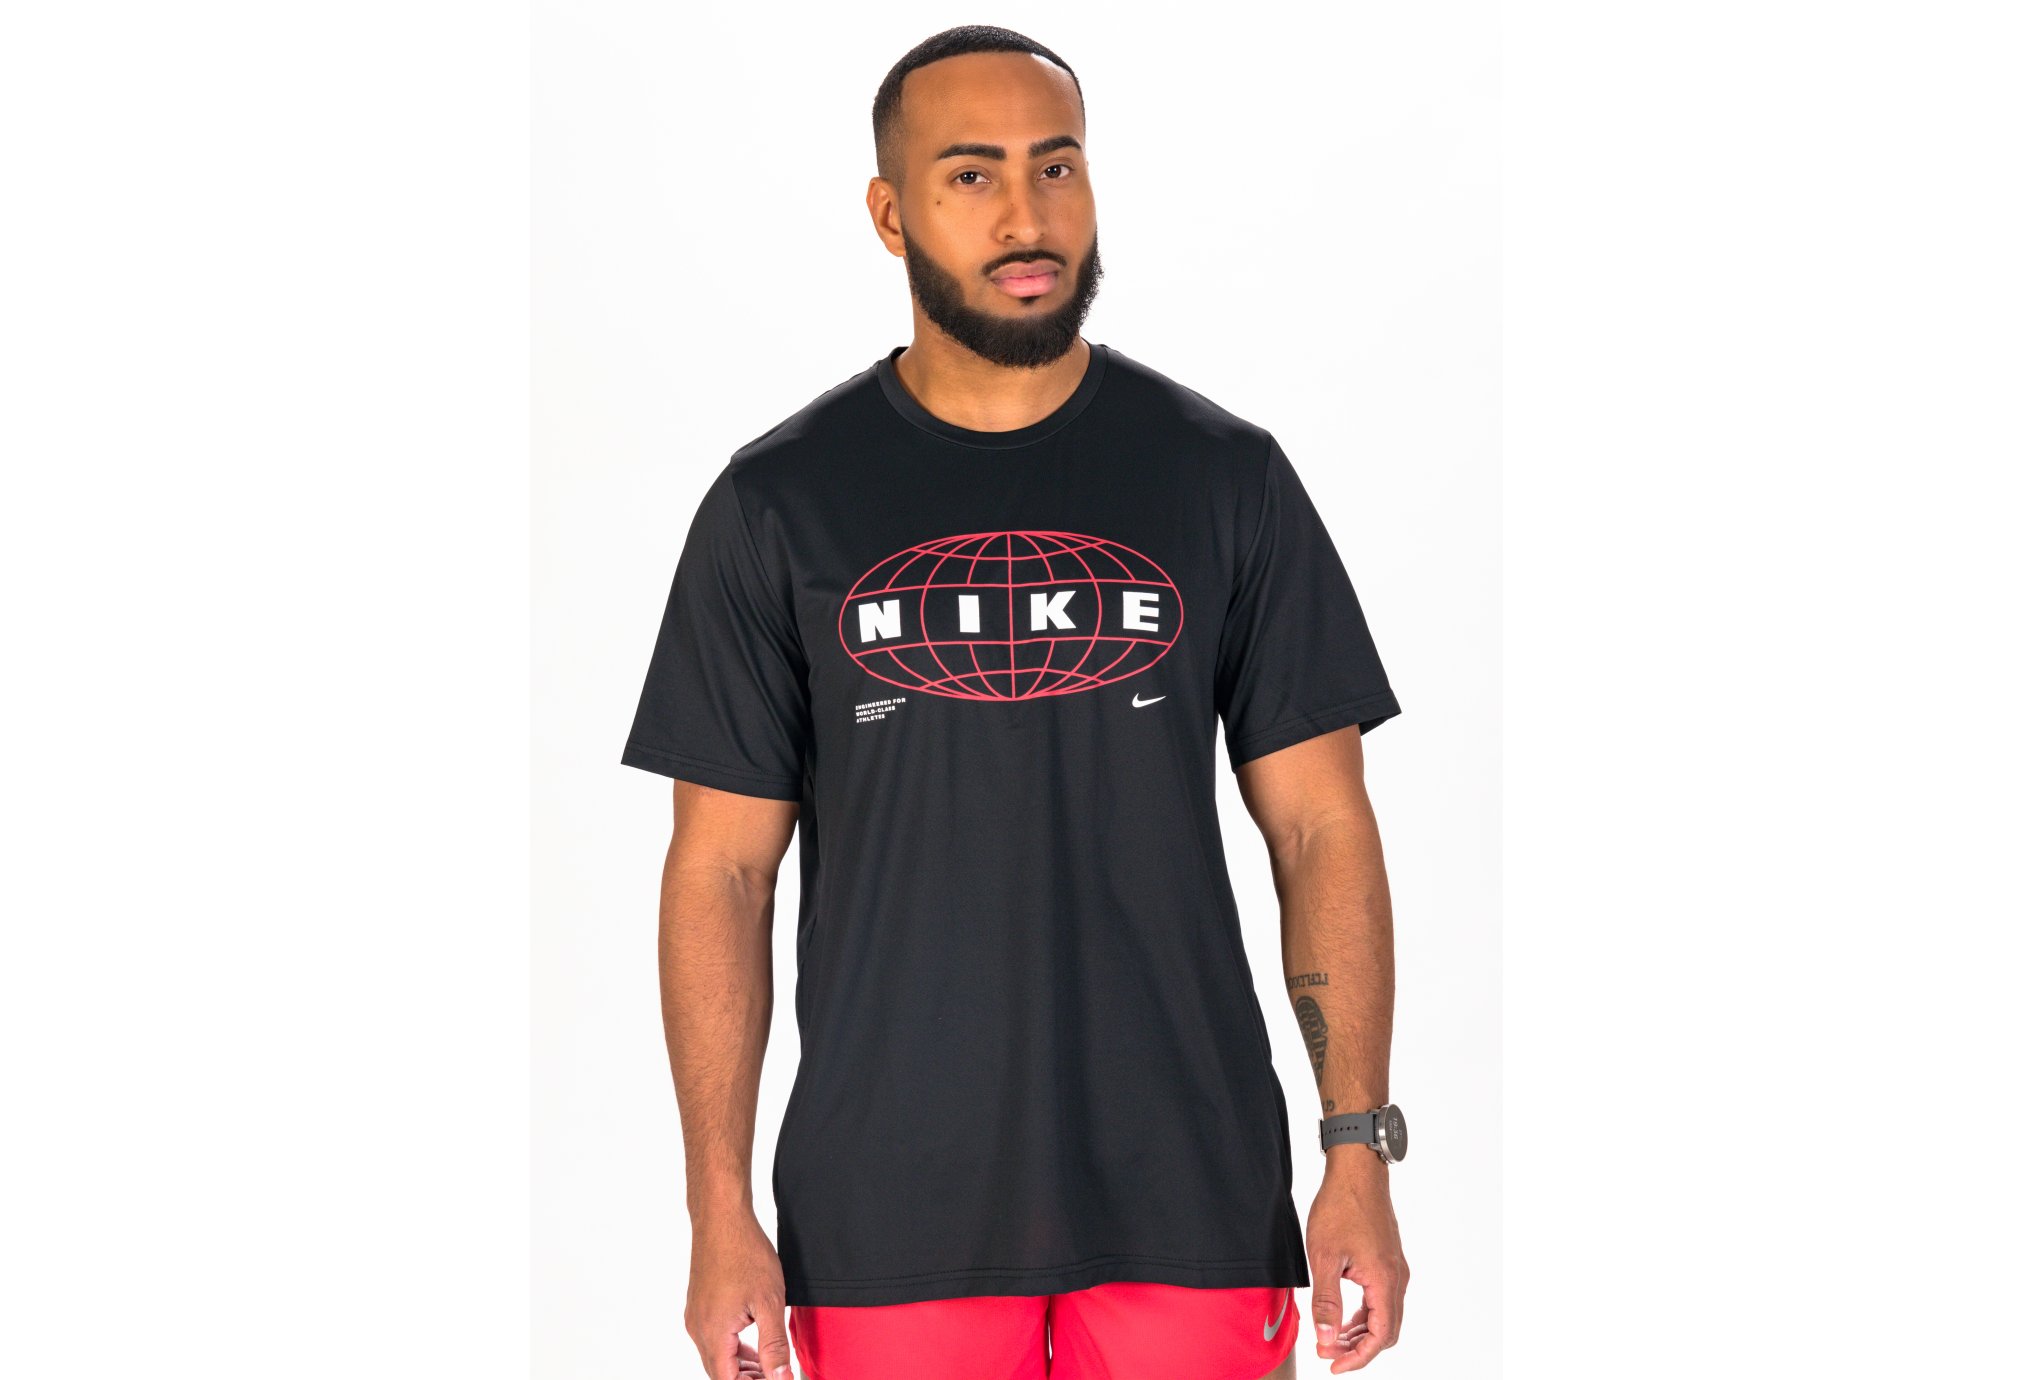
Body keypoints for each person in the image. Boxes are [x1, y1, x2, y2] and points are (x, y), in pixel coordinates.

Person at [623, 25, 1409, 1380]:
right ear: (891, 214)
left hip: (1193, 1198)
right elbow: (723, 874)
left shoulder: (1223, 478)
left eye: (1056, 166)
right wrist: (718, 1212)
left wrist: (1356, 1154)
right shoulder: (778, 504)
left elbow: (1320, 828)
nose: (1026, 217)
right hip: (887, 1216)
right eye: (971, 175)